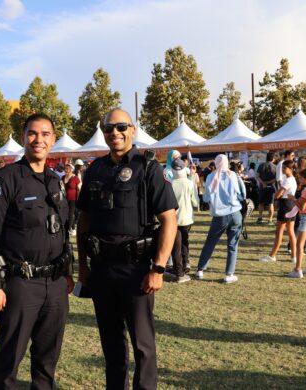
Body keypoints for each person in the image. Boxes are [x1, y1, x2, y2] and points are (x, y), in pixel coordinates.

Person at [76, 108, 177, 389]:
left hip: (137, 269)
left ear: (132, 130)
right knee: (111, 344)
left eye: (121, 127)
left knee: (143, 344)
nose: (115, 133)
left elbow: (169, 219)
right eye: (108, 128)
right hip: (101, 269)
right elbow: (83, 221)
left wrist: (158, 268)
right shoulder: (95, 169)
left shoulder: (148, 167)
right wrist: (83, 267)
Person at [0, 113, 73, 389]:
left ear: (53, 139)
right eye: (33, 133)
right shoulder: (5, 180)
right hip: (21, 283)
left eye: (45, 134)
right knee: (11, 355)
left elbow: (63, 231)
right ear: (23, 137)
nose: (39, 140)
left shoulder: (55, 181)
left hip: (55, 283)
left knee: (48, 355)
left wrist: (67, 272)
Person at [195, 154, 245, 282]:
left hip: (219, 216)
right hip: (235, 213)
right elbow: (242, 194)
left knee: (210, 243)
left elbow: (206, 198)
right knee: (233, 245)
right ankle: (229, 274)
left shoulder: (211, 176)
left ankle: (200, 269)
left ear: (216, 163)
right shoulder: (233, 175)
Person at [166, 158, 198, 283]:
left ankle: (179, 272)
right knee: (185, 242)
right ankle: (185, 266)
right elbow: (195, 202)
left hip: (174, 220)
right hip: (187, 219)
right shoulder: (189, 183)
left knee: (176, 246)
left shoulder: (170, 183)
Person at [259, 160, 297, 263]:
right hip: (292, 205)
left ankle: (272, 255)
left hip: (285, 205)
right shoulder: (293, 179)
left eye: (285, 168)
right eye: (283, 168)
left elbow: (277, 195)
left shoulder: (287, 180)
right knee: (291, 232)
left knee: (279, 232)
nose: (283, 170)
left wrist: (276, 193)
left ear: (291, 169)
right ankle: (294, 256)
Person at [256, 152, 277, 224]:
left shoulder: (261, 165)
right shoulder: (275, 167)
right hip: (271, 187)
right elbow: (276, 178)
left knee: (261, 203)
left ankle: (260, 218)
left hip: (262, 187)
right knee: (271, 204)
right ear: (273, 159)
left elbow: (257, 176)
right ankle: (270, 220)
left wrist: (263, 183)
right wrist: (268, 183)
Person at [62, 163, 80, 236]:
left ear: (71, 169)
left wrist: (79, 198)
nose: (66, 169)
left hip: (73, 199)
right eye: (65, 168)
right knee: (66, 213)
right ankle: (71, 227)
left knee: (71, 213)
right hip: (64, 198)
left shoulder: (75, 178)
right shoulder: (63, 177)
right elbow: (61, 186)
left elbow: (79, 188)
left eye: (67, 168)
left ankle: (69, 229)